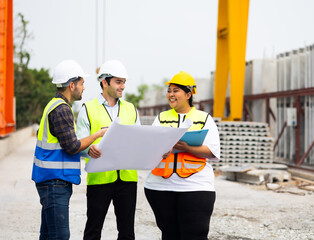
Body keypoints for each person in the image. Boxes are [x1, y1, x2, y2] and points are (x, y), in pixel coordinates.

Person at [32, 59, 107, 240]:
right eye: (82, 84)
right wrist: (99, 134)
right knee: (60, 236)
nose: (84, 88)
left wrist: (87, 149)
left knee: (49, 235)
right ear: (71, 85)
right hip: (54, 182)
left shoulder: (53, 105)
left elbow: (67, 143)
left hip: (51, 180)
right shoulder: (62, 109)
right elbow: (72, 146)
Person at [144, 71, 220, 240]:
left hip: (195, 187)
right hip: (160, 187)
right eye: (169, 90)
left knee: (195, 234)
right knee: (169, 235)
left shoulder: (203, 118)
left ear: (188, 94)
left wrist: (187, 147)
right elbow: (151, 148)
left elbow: (213, 151)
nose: (171, 94)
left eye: (175, 90)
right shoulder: (161, 118)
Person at [76, 59, 140, 240]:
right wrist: (89, 150)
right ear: (105, 82)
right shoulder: (87, 109)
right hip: (100, 178)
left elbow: (138, 141)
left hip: (127, 178)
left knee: (127, 233)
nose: (123, 87)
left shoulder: (131, 109)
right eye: (118, 82)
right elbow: (79, 143)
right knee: (93, 231)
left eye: (124, 82)